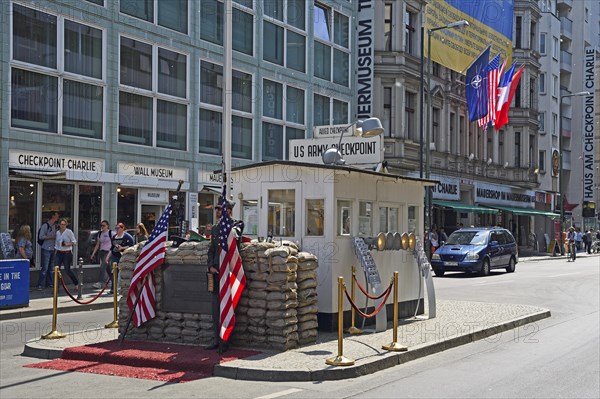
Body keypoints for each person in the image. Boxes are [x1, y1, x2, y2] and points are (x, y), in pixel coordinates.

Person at [206, 198, 243, 352]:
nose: (217, 212)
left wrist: (226, 225)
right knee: (216, 311)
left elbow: (234, 236)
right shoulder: (215, 229)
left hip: (229, 274)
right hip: (216, 273)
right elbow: (212, 250)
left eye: (221, 209)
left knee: (227, 309)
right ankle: (216, 339)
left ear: (229, 211)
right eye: (217, 209)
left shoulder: (236, 225)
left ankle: (225, 342)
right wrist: (211, 266)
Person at [108, 222, 134, 295]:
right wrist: (108, 257)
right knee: (114, 272)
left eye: (118, 228)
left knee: (122, 273)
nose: (116, 229)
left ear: (122, 228)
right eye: (115, 228)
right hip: (114, 256)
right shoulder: (114, 237)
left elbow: (131, 246)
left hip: (124, 257)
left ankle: (122, 288)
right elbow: (112, 248)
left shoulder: (127, 237)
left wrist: (122, 248)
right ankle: (113, 289)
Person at [36, 212, 59, 290]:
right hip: (46, 248)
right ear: (53, 217)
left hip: (53, 248)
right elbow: (41, 237)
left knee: (51, 268)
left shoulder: (55, 226)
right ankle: (39, 284)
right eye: (56, 216)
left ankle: (49, 283)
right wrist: (51, 237)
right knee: (45, 268)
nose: (58, 217)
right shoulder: (45, 226)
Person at [55, 218, 78, 288]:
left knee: (67, 270)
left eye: (64, 224)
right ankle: (56, 287)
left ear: (66, 225)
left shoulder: (69, 232)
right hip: (59, 252)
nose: (63, 226)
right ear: (59, 225)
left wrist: (67, 244)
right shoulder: (58, 232)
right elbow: (56, 243)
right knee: (56, 269)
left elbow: (74, 242)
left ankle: (76, 283)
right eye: (61, 224)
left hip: (67, 253)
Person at [90, 220, 113, 289]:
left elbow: (114, 243)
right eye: (101, 226)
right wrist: (93, 253)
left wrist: (111, 252)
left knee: (103, 266)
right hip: (102, 252)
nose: (102, 227)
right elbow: (97, 244)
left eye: (104, 226)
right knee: (108, 269)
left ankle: (100, 282)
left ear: (107, 226)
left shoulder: (111, 233)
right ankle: (113, 281)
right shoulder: (100, 233)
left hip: (108, 252)